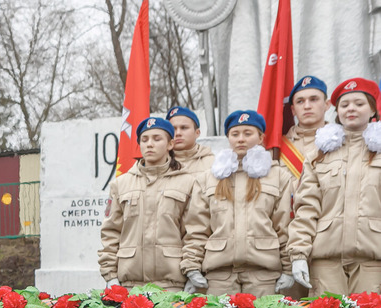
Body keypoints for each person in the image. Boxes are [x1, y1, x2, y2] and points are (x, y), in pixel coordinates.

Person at [182, 111, 295, 297]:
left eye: (248, 133)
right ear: (228, 138)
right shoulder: (208, 179)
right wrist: (192, 266)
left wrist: (289, 268)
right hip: (219, 276)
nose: (241, 139)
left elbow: (284, 227)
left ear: (260, 137)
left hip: (264, 276)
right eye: (235, 134)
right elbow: (197, 229)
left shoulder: (278, 176)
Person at [289, 78, 381, 295]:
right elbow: (306, 209)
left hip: (372, 261)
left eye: (359, 103)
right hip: (326, 263)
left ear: (372, 109)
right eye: (344, 104)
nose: (351, 109)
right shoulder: (319, 155)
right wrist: (299, 255)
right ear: (337, 111)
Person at [98, 117, 200, 291]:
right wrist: (110, 275)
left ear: (170, 144)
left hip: (172, 284)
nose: (149, 144)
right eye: (144, 140)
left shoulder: (188, 182)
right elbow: (111, 232)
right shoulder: (120, 184)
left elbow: (194, 232)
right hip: (129, 285)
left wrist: (192, 269)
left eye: (157, 139)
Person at [284, 75, 330, 167]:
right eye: (300, 101)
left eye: (313, 99)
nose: (307, 106)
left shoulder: (341, 142)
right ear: (293, 110)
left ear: (327, 105)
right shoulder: (279, 147)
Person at [166, 106, 213, 176]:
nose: (178, 133)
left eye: (184, 128)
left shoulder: (213, 163)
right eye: (173, 129)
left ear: (197, 133)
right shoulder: (159, 163)